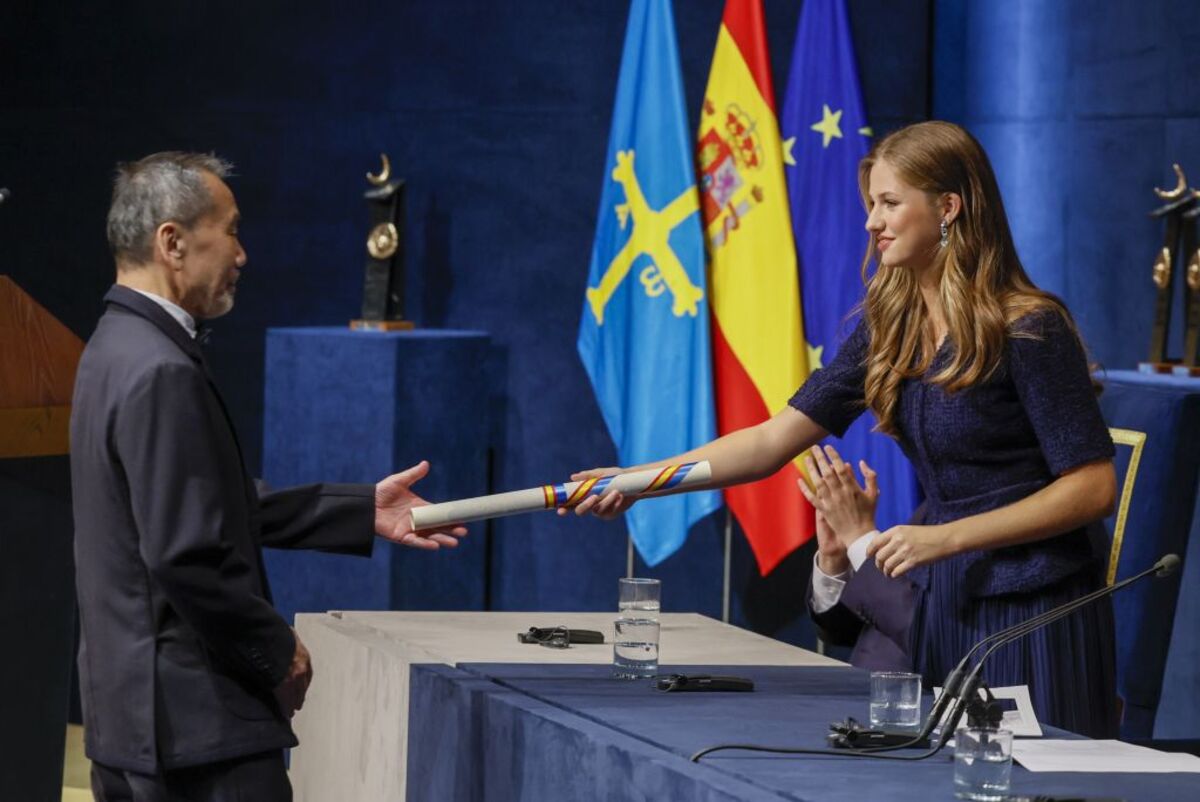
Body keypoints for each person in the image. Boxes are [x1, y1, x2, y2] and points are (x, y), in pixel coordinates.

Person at [569, 121, 1118, 738]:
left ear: (948, 207)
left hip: (1033, 608)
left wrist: (947, 538)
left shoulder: (1030, 328)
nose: (871, 223)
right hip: (950, 597)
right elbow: (769, 442)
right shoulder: (891, 327)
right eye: (869, 205)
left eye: (889, 203)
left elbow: (1093, 488)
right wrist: (641, 479)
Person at [71, 151, 467, 801]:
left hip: (134, 725)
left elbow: (201, 505)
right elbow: (184, 550)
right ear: (172, 241)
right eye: (229, 230)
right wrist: (275, 649)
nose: (242, 253)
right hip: (196, 733)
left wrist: (359, 507)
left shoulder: (111, 348)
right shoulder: (160, 369)